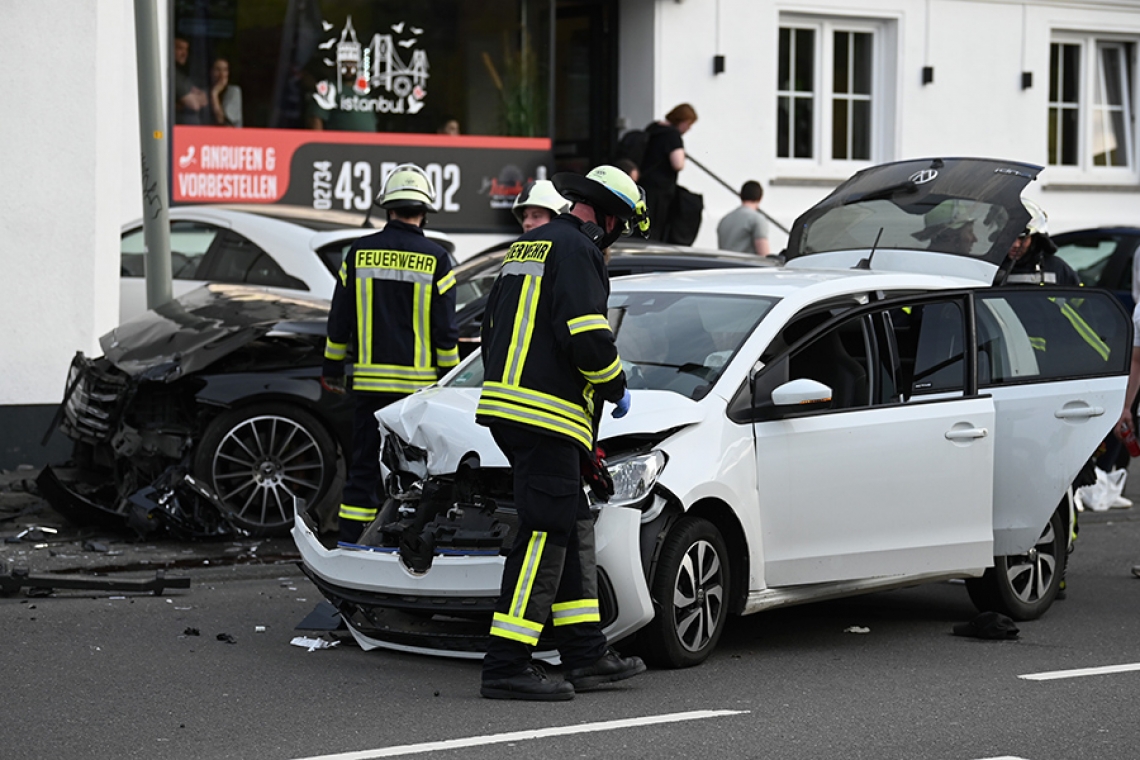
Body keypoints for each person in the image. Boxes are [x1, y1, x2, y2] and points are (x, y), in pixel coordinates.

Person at [476, 165, 650, 701]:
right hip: (546, 415)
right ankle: (506, 663)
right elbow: (586, 336)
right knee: (544, 532)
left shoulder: (528, 247)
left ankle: (586, 655)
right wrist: (615, 383)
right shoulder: (578, 252)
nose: (617, 240)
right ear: (610, 216)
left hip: (518, 408)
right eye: (621, 228)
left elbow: (490, 328)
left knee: (572, 526)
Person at [322, 164, 459, 546]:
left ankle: (352, 545)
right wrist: (447, 384)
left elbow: (339, 320)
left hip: (368, 389)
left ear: (387, 207)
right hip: (416, 395)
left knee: (363, 471)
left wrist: (332, 368)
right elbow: (445, 332)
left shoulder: (359, 253)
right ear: (425, 210)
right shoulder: (437, 258)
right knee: (413, 474)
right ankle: (402, 545)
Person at [640, 103, 697, 241]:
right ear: (682, 121)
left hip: (645, 184)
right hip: (661, 190)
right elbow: (678, 164)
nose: (688, 129)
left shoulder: (654, 128)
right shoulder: (673, 135)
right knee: (656, 227)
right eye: (689, 124)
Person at [1003, 198, 1081, 286]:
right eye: (1010, 237)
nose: (1016, 244)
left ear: (1035, 239)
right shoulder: (991, 268)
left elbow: (1079, 298)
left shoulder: (1056, 267)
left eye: (1023, 239)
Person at [717, 180, 771, 255]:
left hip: (726, 265)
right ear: (760, 197)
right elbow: (764, 254)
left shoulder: (725, 219)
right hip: (747, 265)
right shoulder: (757, 219)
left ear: (741, 195)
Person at [173, 37, 208, 124]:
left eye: (186, 50)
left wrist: (182, 104)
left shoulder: (183, 76)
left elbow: (204, 99)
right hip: (177, 131)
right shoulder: (173, 75)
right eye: (180, 49)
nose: (184, 53)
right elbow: (194, 105)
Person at [207, 58, 242, 128]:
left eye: (225, 70)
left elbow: (221, 120)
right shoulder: (205, 92)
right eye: (218, 70)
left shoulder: (234, 92)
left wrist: (214, 94)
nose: (221, 74)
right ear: (211, 72)